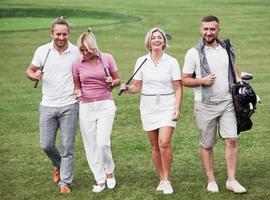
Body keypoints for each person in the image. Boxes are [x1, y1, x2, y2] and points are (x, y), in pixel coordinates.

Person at [182, 15, 247, 194]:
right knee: (207, 145)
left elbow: (232, 69)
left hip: (227, 102)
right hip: (205, 105)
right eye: (205, 29)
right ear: (200, 29)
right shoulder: (193, 53)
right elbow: (185, 80)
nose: (208, 32)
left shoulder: (226, 48)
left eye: (212, 29)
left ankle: (231, 180)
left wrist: (240, 81)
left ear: (218, 29)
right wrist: (202, 80)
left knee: (232, 140)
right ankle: (211, 180)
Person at [120, 27, 183, 195]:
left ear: (164, 41)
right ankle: (161, 178)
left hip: (167, 105)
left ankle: (167, 180)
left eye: (160, 37)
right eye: (153, 37)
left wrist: (177, 108)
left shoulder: (172, 61)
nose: (157, 40)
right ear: (148, 41)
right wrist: (128, 88)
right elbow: (137, 87)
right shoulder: (142, 60)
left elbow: (178, 88)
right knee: (155, 145)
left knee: (164, 142)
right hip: (147, 107)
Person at [26, 16, 80, 193]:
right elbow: (30, 70)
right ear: (52, 33)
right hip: (47, 104)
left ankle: (65, 182)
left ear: (68, 34)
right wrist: (34, 75)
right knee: (46, 144)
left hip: (70, 104)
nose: (61, 38)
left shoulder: (76, 51)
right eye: (58, 34)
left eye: (64, 34)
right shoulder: (43, 50)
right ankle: (59, 165)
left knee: (67, 146)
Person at [72, 29, 120, 193]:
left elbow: (117, 80)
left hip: (105, 104)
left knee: (102, 143)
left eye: (86, 49)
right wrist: (77, 92)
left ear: (93, 47)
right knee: (90, 145)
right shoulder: (77, 63)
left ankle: (109, 171)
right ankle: (99, 179)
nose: (83, 53)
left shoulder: (107, 58)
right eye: (81, 50)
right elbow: (77, 85)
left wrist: (112, 82)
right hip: (86, 107)